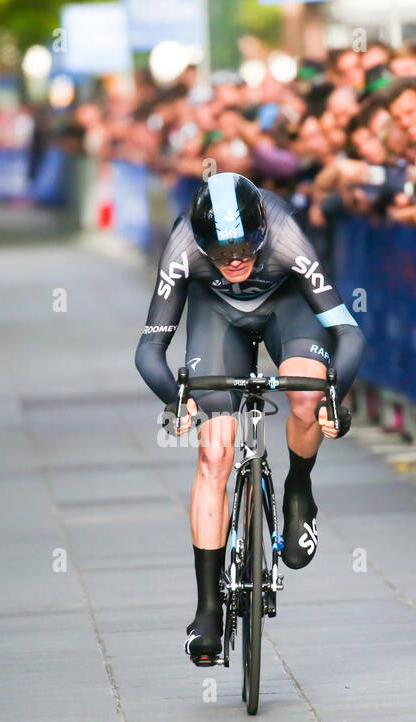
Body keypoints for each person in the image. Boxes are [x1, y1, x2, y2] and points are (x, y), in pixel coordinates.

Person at [134, 172, 365, 665]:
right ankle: (207, 608)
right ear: (201, 245)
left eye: (245, 251)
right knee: (214, 452)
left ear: (262, 235)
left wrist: (333, 399)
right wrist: (174, 401)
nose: (235, 262)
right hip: (218, 318)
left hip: (288, 311)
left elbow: (348, 333)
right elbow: (150, 349)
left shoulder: (286, 236)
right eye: (220, 254)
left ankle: (299, 488)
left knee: (305, 396)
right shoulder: (182, 247)